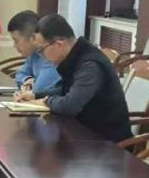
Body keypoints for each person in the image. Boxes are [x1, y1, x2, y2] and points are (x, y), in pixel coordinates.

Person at [30, 14, 133, 143]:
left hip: (107, 143)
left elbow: (70, 105)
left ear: (59, 44)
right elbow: (66, 89)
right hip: (85, 134)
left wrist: (46, 101)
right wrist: (35, 96)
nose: (42, 56)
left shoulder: (90, 65)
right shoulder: (77, 56)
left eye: (41, 50)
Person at [6, 10, 61, 100]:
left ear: (33, 38)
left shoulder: (52, 54)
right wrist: (27, 80)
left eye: (16, 40)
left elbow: (38, 90)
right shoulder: (34, 53)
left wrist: (31, 85)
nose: (14, 46)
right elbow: (19, 74)